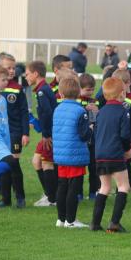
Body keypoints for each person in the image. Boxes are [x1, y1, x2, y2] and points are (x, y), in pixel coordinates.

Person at [90, 78, 131, 233]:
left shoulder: (100, 113)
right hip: (115, 154)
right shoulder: (123, 111)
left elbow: (96, 133)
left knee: (104, 187)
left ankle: (95, 223)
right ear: (122, 93)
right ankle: (114, 223)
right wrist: (126, 150)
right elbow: (125, 136)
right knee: (123, 186)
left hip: (100, 155)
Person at [52, 77, 93, 228]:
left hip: (61, 155)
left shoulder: (57, 109)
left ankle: (60, 219)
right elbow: (84, 135)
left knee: (62, 186)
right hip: (75, 154)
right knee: (73, 188)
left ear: (61, 94)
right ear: (78, 93)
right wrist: (90, 129)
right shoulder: (80, 111)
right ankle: (71, 220)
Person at [0, 53, 28, 209]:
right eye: (8, 67)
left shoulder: (15, 89)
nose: (12, 71)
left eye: (13, 68)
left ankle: (20, 197)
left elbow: (24, 112)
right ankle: (6, 198)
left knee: (12, 164)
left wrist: (25, 133)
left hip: (13, 133)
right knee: (5, 165)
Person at [25, 61, 58, 207]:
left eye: (27, 74)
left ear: (35, 74)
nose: (26, 77)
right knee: (36, 161)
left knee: (46, 163)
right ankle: (50, 194)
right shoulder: (42, 89)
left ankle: (52, 199)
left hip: (49, 134)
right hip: (48, 132)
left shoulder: (42, 91)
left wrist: (46, 134)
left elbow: (47, 113)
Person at [0, 65, 13, 213]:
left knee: (0, 172)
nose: (6, 82)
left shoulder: (3, 99)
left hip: (4, 139)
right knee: (8, 163)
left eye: (7, 79)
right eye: (2, 79)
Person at [78, 73, 100, 199]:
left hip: (93, 139)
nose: (90, 92)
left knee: (94, 166)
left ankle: (93, 192)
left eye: (92, 89)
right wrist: (84, 109)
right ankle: (78, 193)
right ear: (80, 88)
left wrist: (97, 111)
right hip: (81, 139)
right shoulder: (76, 100)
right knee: (80, 168)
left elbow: (98, 119)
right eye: (87, 90)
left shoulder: (95, 101)